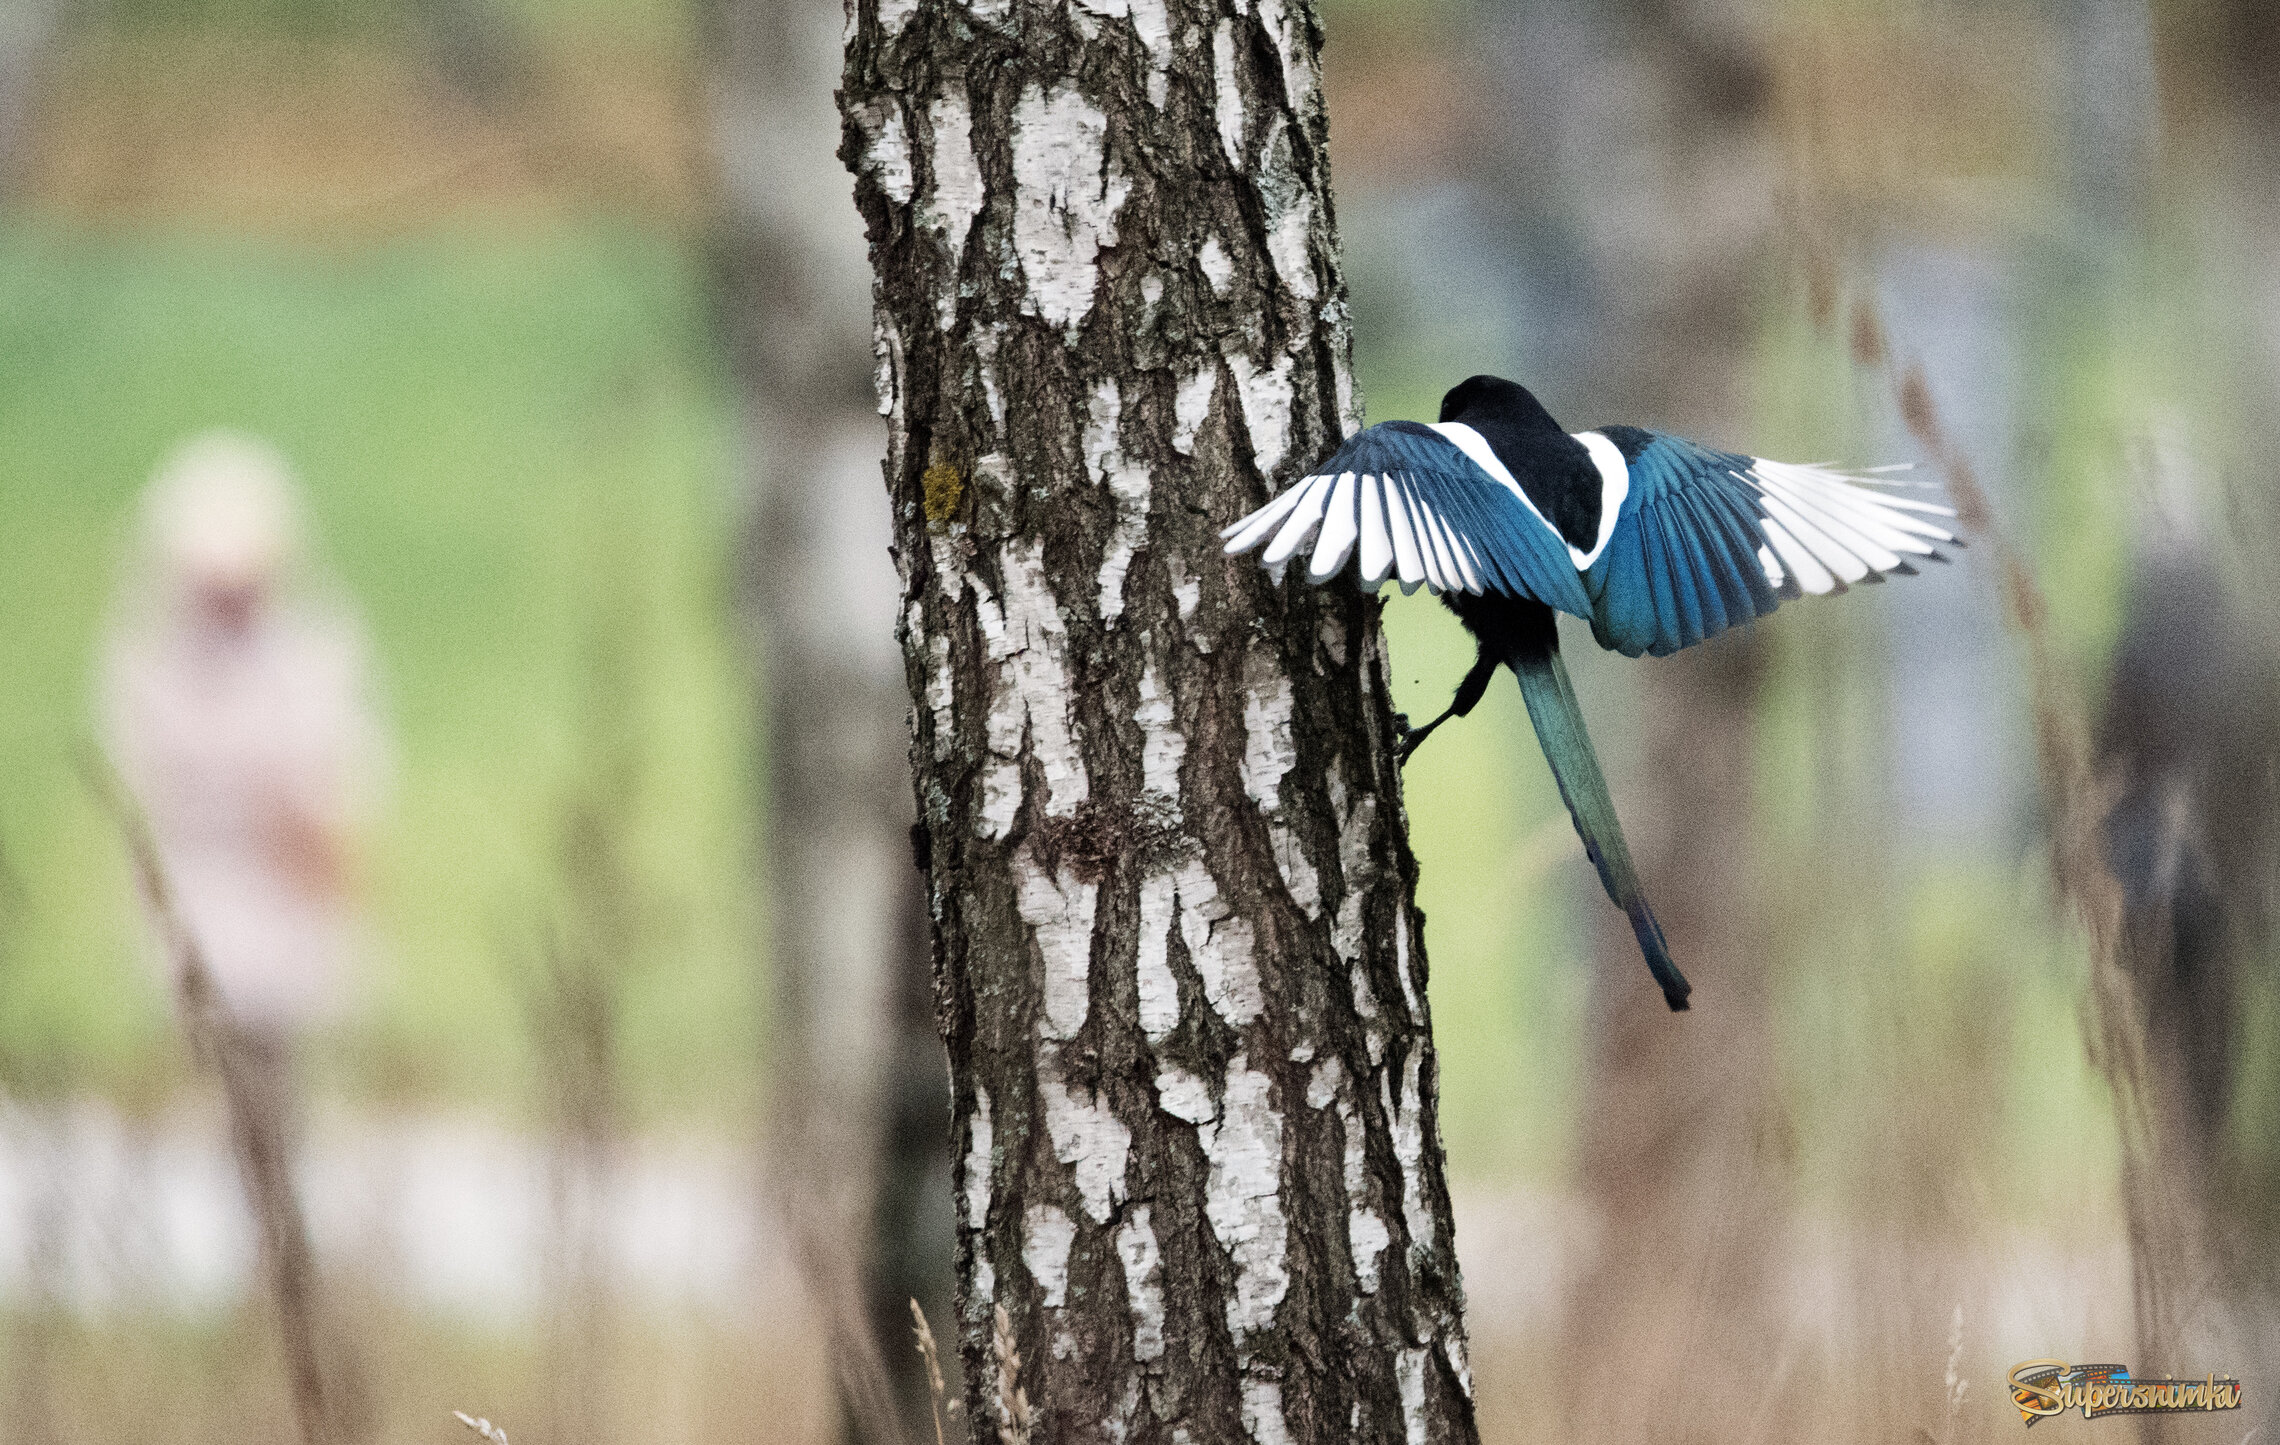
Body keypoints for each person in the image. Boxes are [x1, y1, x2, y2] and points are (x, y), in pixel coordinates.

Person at [101, 432, 383, 1092]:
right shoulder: (152, 665)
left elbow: (329, 818)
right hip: (198, 908)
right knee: (211, 1082)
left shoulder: (310, 661)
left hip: (283, 915)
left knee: (273, 1081)